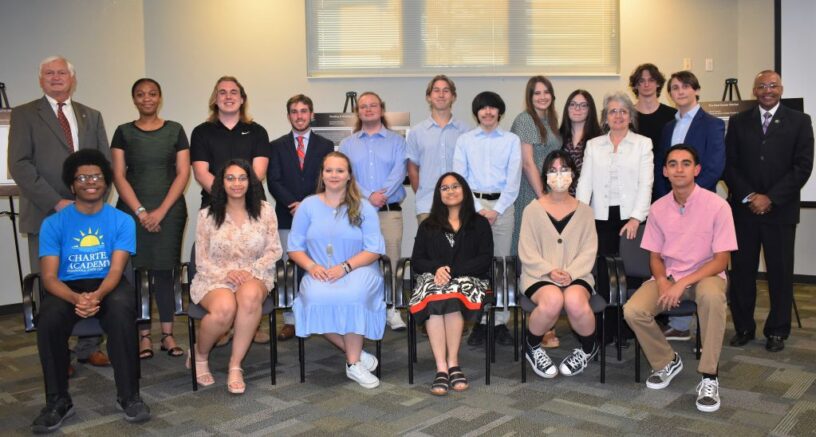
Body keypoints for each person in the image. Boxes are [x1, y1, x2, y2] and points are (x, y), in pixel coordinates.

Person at [31, 149, 149, 432]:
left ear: (106, 183)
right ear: (72, 185)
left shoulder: (122, 220)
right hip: (66, 286)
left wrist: (96, 296)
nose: (90, 181)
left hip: (107, 282)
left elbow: (117, 271)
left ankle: (129, 396)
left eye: (96, 176)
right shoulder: (53, 223)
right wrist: (75, 298)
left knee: (122, 311)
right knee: (47, 318)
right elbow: (48, 277)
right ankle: (58, 401)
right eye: (82, 177)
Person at [9, 55, 110, 371]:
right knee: (47, 283)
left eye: (61, 73)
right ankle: (59, 352)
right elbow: (20, 165)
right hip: (45, 214)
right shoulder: (26, 114)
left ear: (72, 79)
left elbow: (103, 164)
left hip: (89, 217)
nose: (56, 77)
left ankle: (89, 346)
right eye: (49, 73)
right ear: (41, 80)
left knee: (90, 277)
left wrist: (92, 204)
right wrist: (57, 202)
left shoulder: (90, 115)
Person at [623, 144, 737, 413]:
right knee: (633, 310)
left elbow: (721, 260)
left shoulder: (718, 206)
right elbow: (655, 257)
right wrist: (662, 281)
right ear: (665, 171)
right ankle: (666, 361)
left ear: (696, 169)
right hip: (670, 276)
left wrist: (684, 283)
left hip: (706, 274)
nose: (679, 169)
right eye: (672, 164)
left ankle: (709, 376)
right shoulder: (659, 208)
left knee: (711, 297)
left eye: (686, 163)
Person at [725, 70, 814, 352]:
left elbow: (803, 166)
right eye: (762, 86)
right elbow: (729, 164)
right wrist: (751, 196)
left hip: (781, 211)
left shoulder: (800, 121)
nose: (767, 90)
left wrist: (770, 198)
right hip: (744, 211)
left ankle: (777, 331)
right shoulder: (739, 122)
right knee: (742, 272)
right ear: (754, 90)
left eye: (773, 85)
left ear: (781, 89)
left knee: (780, 273)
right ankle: (744, 327)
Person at [288, 152, 387, 389]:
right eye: (329, 170)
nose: (334, 175)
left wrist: (345, 267)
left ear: (349, 175)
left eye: (340, 170)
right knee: (314, 299)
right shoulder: (308, 206)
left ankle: (353, 364)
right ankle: (354, 351)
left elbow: (374, 249)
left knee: (352, 296)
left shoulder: (363, 207)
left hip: (359, 268)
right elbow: (294, 247)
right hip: (318, 270)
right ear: (322, 174)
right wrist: (312, 266)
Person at [188, 159, 282, 394]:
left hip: (255, 273)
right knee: (224, 309)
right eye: (230, 178)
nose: (237, 183)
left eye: (242, 178)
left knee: (250, 296)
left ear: (250, 181)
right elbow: (201, 259)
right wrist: (227, 274)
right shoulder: (206, 215)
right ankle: (200, 355)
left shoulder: (264, 210)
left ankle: (235, 365)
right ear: (222, 182)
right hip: (216, 276)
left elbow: (274, 250)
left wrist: (248, 272)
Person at [111, 78, 189, 359]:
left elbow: (182, 174)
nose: (147, 98)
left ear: (160, 97)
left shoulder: (175, 130)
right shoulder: (123, 132)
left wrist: (160, 212)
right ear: (134, 99)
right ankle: (143, 335)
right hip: (131, 213)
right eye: (141, 94)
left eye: (152, 94)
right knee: (135, 273)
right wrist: (142, 212)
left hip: (169, 211)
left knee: (165, 272)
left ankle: (168, 334)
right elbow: (118, 175)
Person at [190, 75, 271, 345]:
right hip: (215, 206)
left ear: (242, 98)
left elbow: (258, 171)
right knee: (221, 262)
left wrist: (239, 193)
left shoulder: (257, 131)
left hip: (251, 206)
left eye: (234, 92)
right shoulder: (202, 132)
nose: (228, 96)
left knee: (251, 261)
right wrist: (226, 194)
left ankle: (247, 322)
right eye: (222, 92)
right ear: (215, 98)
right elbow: (201, 171)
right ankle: (223, 325)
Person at [656, 71, 725, 340]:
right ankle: (681, 326)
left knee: (698, 258)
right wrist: (669, 200)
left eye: (686, 86)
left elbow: (715, 165)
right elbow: (664, 165)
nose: (680, 91)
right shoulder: (668, 127)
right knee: (675, 258)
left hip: (701, 204)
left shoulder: (712, 124)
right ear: (670, 94)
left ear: (696, 90)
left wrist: (692, 198)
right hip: (672, 204)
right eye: (674, 88)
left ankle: (697, 326)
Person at [409, 172, 493, 395]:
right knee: (436, 298)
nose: (450, 191)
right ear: (438, 195)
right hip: (434, 280)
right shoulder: (428, 225)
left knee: (452, 297)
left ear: (464, 190)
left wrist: (452, 272)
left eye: (455, 186)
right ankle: (442, 368)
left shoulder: (480, 223)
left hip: (469, 279)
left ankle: (454, 362)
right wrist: (437, 268)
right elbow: (417, 260)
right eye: (444, 188)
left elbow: (485, 259)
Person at [519, 150, 599, 379]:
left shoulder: (585, 211)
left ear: (573, 174)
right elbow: (527, 251)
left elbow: (589, 250)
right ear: (545, 176)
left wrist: (571, 273)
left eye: (564, 169)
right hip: (539, 275)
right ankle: (532, 346)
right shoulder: (532, 210)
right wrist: (549, 270)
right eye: (553, 171)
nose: (559, 175)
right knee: (552, 300)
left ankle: (588, 347)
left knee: (575, 301)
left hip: (578, 274)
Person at [453, 91, 521, 347]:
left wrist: (497, 209)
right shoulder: (465, 140)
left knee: (502, 265)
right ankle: (479, 321)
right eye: (483, 108)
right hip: (472, 207)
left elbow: (514, 179)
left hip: (504, 206)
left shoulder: (512, 140)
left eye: (493, 108)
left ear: (499, 112)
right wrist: (480, 208)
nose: (488, 112)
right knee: (477, 266)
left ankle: (500, 321)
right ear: (476, 112)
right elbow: (461, 178)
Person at [267, 94, 334, 342]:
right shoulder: (276, 146)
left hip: (318, 216)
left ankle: (318, 315)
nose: (299, 115)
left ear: (311, 115)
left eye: (304, 111)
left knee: (319, 265)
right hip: (287, 215)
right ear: (288, 116)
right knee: (289, 268)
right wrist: (292, 204)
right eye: (294, 111)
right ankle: (291, 320)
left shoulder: (325, 146)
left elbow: (327, 178)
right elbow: (273, 180)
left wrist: (307, 205)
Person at [339, 91, 407, 332]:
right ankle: (365, 308)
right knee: (360, 262)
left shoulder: (397, 141)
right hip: (358, 212)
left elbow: (399, 172)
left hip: (389, 211)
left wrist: (382, 195)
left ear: (381, 109)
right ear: (358, 111)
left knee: (392, 260)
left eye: (373, 105)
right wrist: (369, 196)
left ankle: (392, 309)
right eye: (363, 106)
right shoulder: (347, 144)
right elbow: (346, 176)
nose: (368, 109)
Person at [510, 76, 563, 349]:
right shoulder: (525, 120)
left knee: (550, 255)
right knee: (532, 255)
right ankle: (539, 326)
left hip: (552, 195)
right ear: (530, 97)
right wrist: (543, 197)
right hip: (534, 196)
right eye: (536, 93)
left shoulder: (552, 121)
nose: (542, 97)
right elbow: (528, 163)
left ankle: (548, 321)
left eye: (546, 92)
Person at [576, 91, 653, 256]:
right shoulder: (593, 145)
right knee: (603, 267)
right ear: (605, 118)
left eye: (623, 111)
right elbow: (585, 183)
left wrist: (636, 218)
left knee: (631, 268)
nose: (618, 116)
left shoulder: (643, 144)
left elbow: (645, 184)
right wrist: (581, 216)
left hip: (632, 216)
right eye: (613, 111)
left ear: (631, 117)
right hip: (600, 216)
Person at [407, 75, 471, 223]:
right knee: (430, 246)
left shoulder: (466, 131)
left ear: (453, 96)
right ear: (428, 97)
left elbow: (472, 167)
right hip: (427, 206)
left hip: (460, 206)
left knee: (461, 247)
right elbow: (412, 169)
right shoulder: (417, 132)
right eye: (436, 91)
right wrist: (424, 193)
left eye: (446, 90)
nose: (441, 95)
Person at [629, 63, 676, 167]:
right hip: (635, 172)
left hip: (665, 174)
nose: (646, 85)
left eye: (651, 80)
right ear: (636, 85)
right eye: (641, 81)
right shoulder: (627, 116)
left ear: (658, 83)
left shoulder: (673, 115)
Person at [559, 90, 603, 197]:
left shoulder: (600, 139)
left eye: (583, 105)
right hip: (562, 201)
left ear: (590, 110)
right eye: (573, 104)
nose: (577, 109)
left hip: (591, 201)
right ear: (567, 108)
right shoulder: (557, 137)